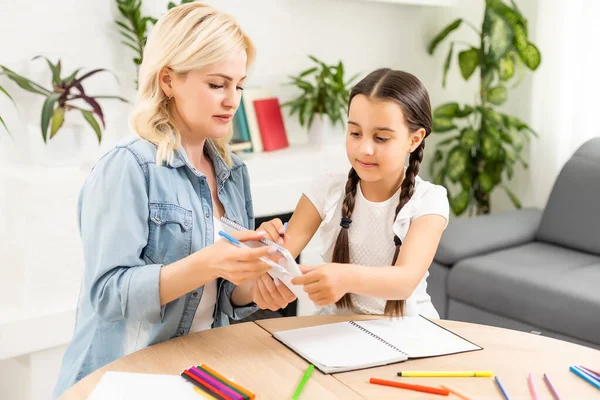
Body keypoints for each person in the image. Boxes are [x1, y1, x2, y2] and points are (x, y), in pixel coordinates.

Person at [53, 3, 294, 397]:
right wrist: (209, 261)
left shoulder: (234, 173)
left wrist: (257, 277)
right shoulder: (129, 166)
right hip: (125, 379)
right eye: (217, 84)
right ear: (169, 80)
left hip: (199, 373)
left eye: (239, 85)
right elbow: (109, 294)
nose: (232, 100)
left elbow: (226, 298)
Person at [258, 68, 449, 318]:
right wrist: (265, 254)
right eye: (355, 133)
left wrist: (345, 277)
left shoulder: (429, 200)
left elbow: (405, 281)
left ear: (414, 139)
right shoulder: (326, 188)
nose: (364, 149)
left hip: (408, 331)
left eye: (381, 138)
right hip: (335, 329)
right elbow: (279, 260)